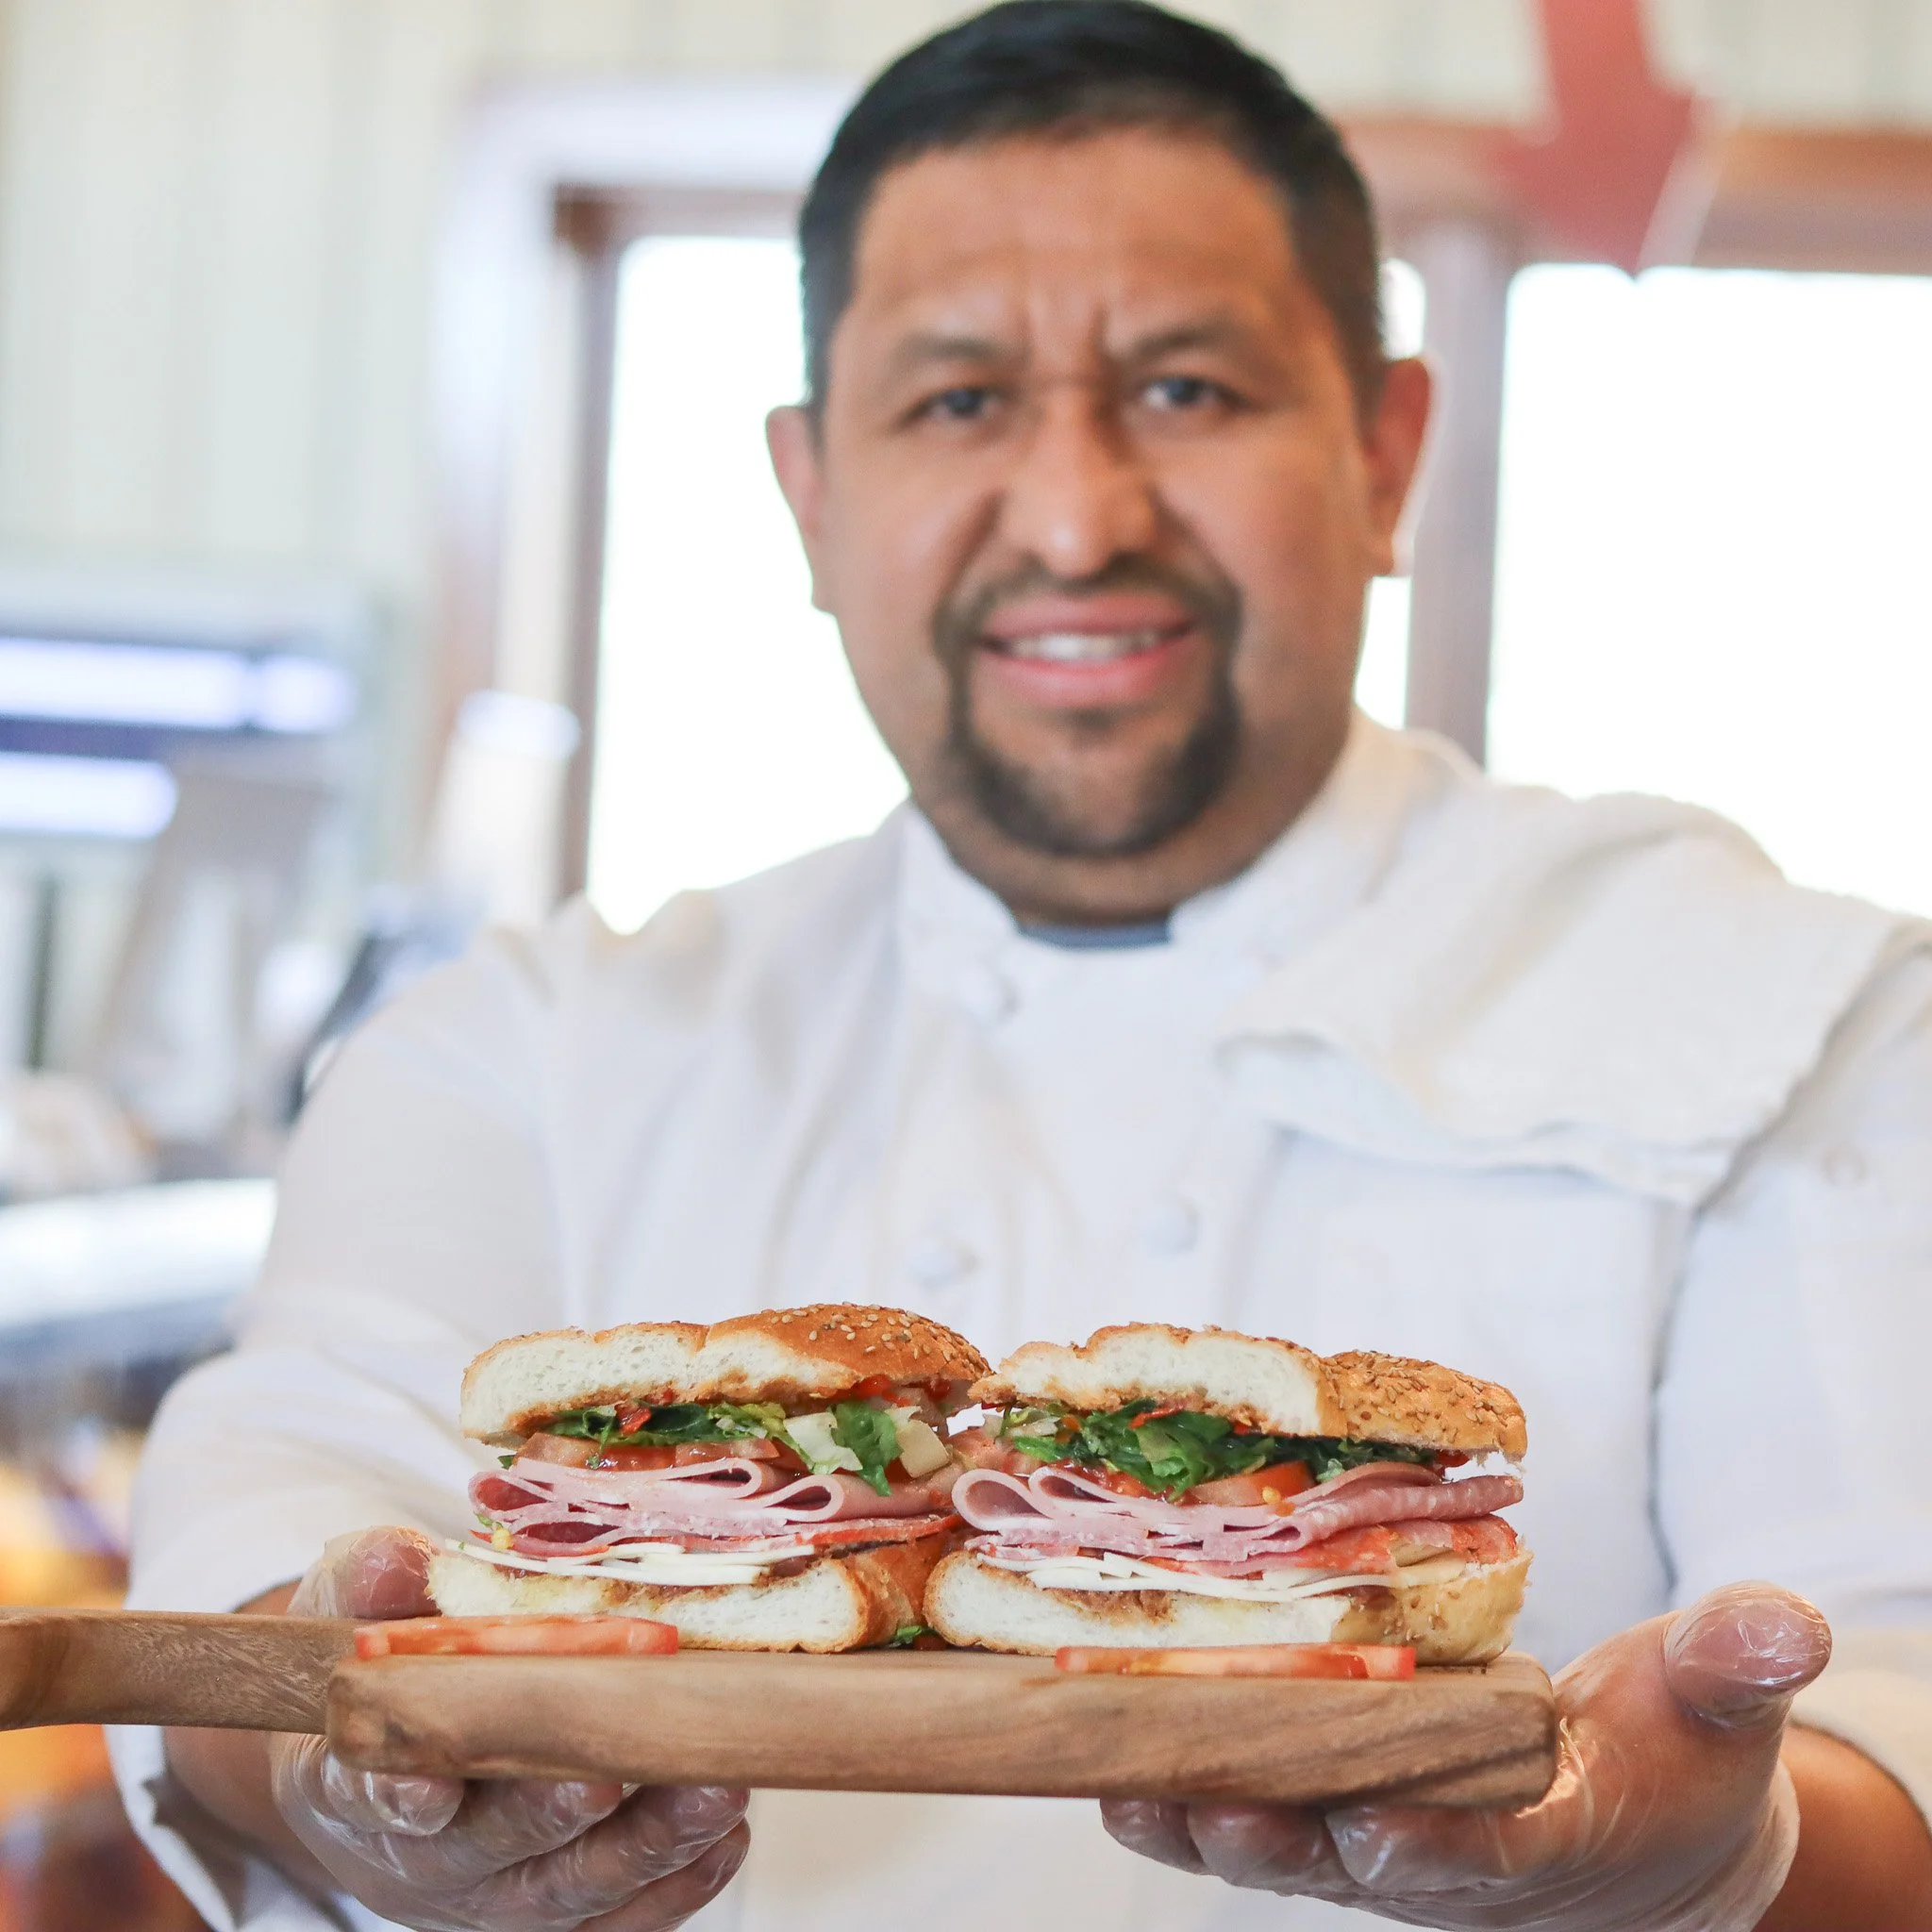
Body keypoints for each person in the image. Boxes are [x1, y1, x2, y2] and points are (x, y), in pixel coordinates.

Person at [112, 5, 1932, 1929]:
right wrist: (342, 1789)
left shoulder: (1790, 1013)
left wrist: (1705, 1852)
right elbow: (258, 1570)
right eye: (959, 401)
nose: (1075, 519)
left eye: (1188, 389)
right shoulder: (524, 1045)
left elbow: (1896, 1722)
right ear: (813, 497)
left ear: (1385, 452)